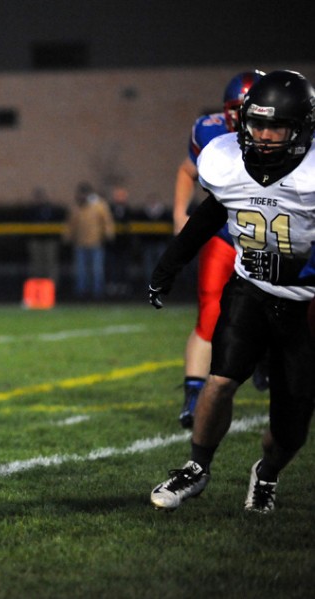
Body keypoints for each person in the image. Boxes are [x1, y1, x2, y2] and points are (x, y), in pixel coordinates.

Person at [147, 70, 315, 514]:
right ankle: (196, 467)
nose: (261, 135)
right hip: (250, 291)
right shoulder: (229, 162)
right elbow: (207, 217)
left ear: (300, 128)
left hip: (304, 306)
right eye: (255, 124)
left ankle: (267, 473)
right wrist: (168, 266)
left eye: (273, 126)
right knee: (220, 381)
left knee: (292, 423)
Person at [171, 70, 265, 429]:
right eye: (235, 109)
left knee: (282, 310)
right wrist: (180, 213)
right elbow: (187, 170)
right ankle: (194, 394)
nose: (240, 118)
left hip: (270, 238)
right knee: (210, 311)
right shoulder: (209, 130)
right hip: (224, 234)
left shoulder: (292, 137)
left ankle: (267, 361)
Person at [62, 182, 115, 299]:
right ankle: (82, 292)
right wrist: (67, 237)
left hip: (96, 242)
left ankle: (97, 292)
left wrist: (108, 234)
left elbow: (107, 221)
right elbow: (71, 224)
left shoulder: (99, 205)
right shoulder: (76, 207)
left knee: (96, 269)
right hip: (80, 242)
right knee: (81, 270)